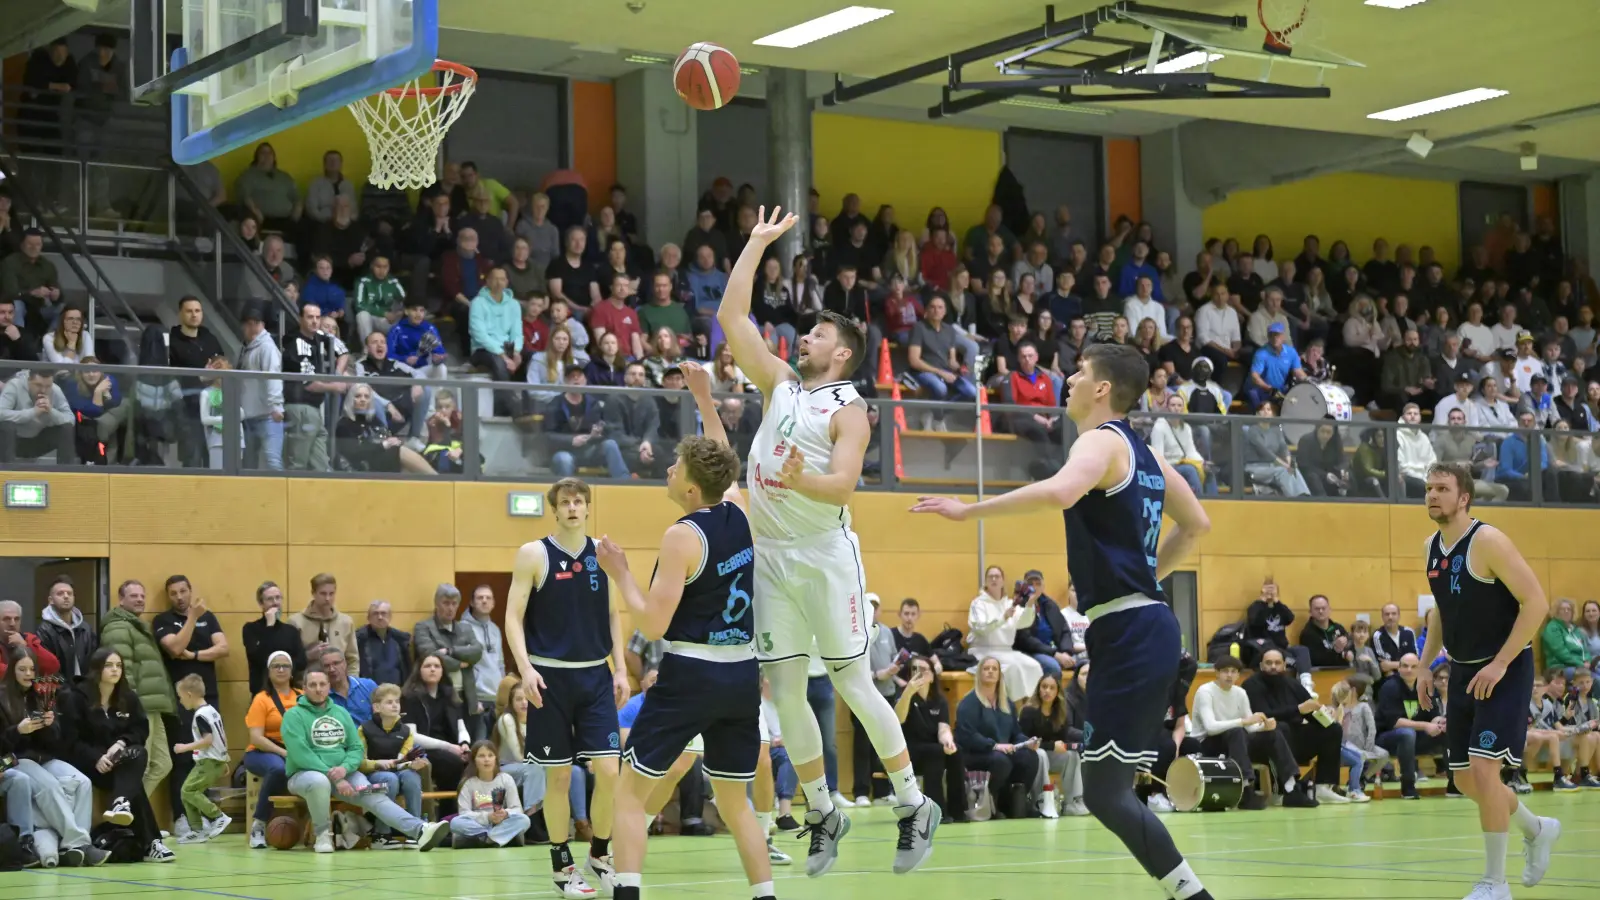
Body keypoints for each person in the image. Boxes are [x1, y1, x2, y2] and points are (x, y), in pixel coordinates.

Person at [913, 341, 1218, 900]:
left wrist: (968, 510)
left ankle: (1195, 896)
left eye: (1079, 372)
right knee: (1106, 790)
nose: (1070, 380)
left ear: (1102, 388)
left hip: (1131, 631)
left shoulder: (1098, 441)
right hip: (1144, 623)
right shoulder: (1146, 454)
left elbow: (1061, 490)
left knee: (1105, 793)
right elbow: (1197, 523)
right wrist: (1146, 576)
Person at [717, 206, 939, 877]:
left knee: (853, 685)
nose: (803, 338)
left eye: (815, 334)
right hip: (772, 557)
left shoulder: (851, 410)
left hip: (825, 557)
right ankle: (821, 811)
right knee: (785, 691)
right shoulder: (781, 384)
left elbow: (842, 486)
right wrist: (755, 244)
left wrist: (799, 479)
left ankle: (913, 804)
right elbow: (731, 317)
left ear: (840, 352)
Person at [591, 359, 775, 900]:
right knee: (735, 802)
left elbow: (652, 624)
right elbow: (722, 458)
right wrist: (703, 397)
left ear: (693, 489)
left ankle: (626, 893)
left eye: (676, 467)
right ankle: (765, 895)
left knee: (630, 795)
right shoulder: (738, 511)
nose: (669, 470)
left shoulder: (682, 536)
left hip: (692, 672)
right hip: (741, 674)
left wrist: (620, 574)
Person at [1417, 462, 1561, 900]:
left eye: (1442, 488)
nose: (1432, 495)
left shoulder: (1489, 541)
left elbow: (1536, 603)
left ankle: (1495, 883)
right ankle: (1537, 828)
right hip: (1463, 671)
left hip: (1504, 669)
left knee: (1484, 772)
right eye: (1429, 488)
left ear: (1464, 498)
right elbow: (1440, 612)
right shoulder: (1430, 547)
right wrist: (1424, 665)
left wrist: (1500, 662)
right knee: (1465, 780)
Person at [504, 478, 630, 898]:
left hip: (596, 676)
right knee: (558, 778)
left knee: (609, 772)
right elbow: (512, 617)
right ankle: (562, 868)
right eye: (565, 502)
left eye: (579, 501)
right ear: (554, 510)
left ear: (588, 508)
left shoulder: (603, 553)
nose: (573, 507)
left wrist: (621, 669)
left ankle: (600, 854)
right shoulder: (533, 554)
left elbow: (613, 615)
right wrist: (525, 669)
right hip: (549, 678)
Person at [283, 669, 450, 854]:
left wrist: (344, 769)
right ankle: (323, 834)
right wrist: (336, 778)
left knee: (372, 793)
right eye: (313, 685)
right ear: (304, 688)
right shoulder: (293, 715)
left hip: (345, 774)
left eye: (322, 684)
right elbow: (301, 754)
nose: (318, 689)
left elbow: (356, 748)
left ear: (329, 687)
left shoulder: (341, 713)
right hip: (305, 774)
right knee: (319, 781)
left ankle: (420, 830)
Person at [68, 648, 170, 860]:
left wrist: (122, 742)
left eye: (119, 666)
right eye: (109, 665)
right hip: (88, 763)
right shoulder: (76, 698)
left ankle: (121, 803)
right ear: (96, 669)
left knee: (138, 752)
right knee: (134, 785)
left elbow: (140, 729)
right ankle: (152, 842)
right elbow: (71, 739)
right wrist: (96, 758)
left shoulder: (128, 697)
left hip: (118, 760)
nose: (115, 670)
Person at [895, 654, 967, 823]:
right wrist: (908, 692)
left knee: (956, 752)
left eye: (924, 669)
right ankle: (936, 810)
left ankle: (958, 810)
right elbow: (898, 719)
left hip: (933, 748)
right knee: (935, 753)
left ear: (933, 676)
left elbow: (943, 728)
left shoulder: (939, 700)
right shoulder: (904, 696)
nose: (919, 673)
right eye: (914, 669)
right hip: (908, 750)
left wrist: (948, 741)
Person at [171, 674, 231, 843]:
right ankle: (197, 830)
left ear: (189, 694)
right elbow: (222, 736)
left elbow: (208, 740)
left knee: (188, 791)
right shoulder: (212, 711)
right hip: (216, 760)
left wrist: (184, 747)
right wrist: (225, 758)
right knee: (187, 792)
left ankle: (218, 816)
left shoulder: (200, 715)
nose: (180, 701)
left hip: (208, 762)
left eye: (181, 697)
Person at [452, 740, 532, 848]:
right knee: (455, 822)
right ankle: (495, 838)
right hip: (478, 825)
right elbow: (464, 813)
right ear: (474, 760)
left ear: (496, 759)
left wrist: (505, 813)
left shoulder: (506, 779)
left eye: (490, 755)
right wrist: (488, 817)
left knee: (524, 820)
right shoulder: (468, 783)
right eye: (481, 756)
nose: (486, 759)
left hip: (501, 823)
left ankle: (484, 839)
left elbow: (517, 809)